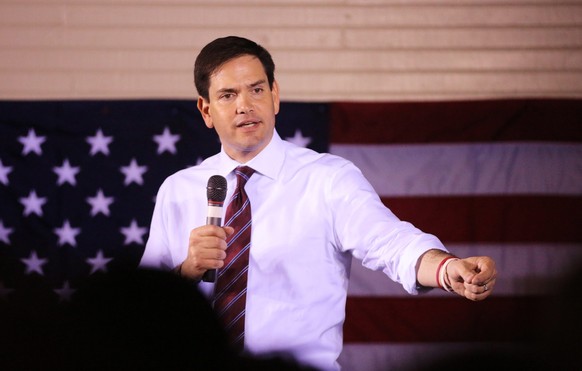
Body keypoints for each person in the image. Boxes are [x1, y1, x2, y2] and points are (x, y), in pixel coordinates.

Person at [140, 35, 497, 371]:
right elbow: (140, 308)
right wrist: (185, 271)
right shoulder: (178, 190)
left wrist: (446, 269)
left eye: (257, 90)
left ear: (275, 95)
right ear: (205, 110)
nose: (245, 106)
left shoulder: (328, 179)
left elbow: (390, 242)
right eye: (228, 95)